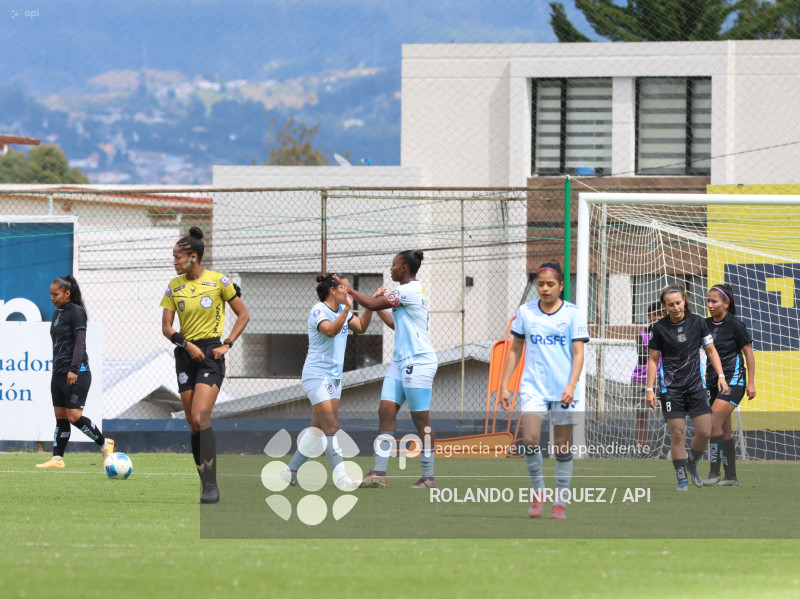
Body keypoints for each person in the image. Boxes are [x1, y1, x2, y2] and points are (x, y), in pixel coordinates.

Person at [335, 250, 439, 489]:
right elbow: (394, 322)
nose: (391, 268)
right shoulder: (406, 292)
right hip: (400, 362)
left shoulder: (408, 289)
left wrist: (347, 290)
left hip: (419, 361)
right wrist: (378, 306)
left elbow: (370, 303)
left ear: (403, 268)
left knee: (420, 418)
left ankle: (428, 477)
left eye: (393, 265)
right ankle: (379, 473)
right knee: (385, 411)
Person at [160, 227, 250, 504]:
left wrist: (227, 344)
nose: (174, 261)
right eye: (174, 257)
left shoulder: (218, 281)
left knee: (201, 418)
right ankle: (205, 484)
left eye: (178, 257)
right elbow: (166, 327)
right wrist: (186, 345)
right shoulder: (174, 286)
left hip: (212, 354)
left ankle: (212, 486)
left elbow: (243, 315)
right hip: (186, 353)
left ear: (193, 257)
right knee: (192, 424)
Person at [499, 262, 589, 520]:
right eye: (541, 284)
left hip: (564, 389)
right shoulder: (525, 312)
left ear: (561, 285)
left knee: (561, 447)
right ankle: (539, 493)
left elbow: (578, 353)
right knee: (530, 439)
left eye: (551, 284)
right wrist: (505, 384)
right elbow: (515, 348)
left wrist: (571, 385)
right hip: (533, 388)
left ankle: (560, 502)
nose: (545, 288)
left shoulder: (573, 314)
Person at [282, 274, 383, 489]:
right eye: (344, 288)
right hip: (316, 375)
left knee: (318, 430)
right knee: (332, 426)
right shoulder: (318, 310)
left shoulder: (341, 312)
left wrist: (371, 305)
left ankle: (289, 471)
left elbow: (362, 326)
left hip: (334, 379)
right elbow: (329, 331)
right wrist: (347, 309)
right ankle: (342, 479)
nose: (347, 291)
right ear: (332, 290)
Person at [645, 283, 728, 491]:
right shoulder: (659, 328)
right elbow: (653, 360)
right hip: (671, 390)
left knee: (705, 431)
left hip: (695, 387)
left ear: (685, 302)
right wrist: (649, 389)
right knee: (678, 434)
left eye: (678, 303)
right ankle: (681, 478)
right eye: (670, 304)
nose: (675, 307)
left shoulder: (698, 322)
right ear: (665, 306)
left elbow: (710, 350)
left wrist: (720, 375)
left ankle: (692, 462)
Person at [37, 275, 114, 468]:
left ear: (67, 293)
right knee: (61, 416)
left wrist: (74, 369)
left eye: (55, 294)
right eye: (50, 294)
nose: (52, 297)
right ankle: (57, 459)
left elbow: (80, 342)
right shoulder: (56, 314)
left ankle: (105, 443)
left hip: (76, 372)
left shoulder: (76, 312)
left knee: (74, 417)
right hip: (58, 373)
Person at [703, 284, 756, 487]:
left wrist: (750, 383)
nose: (710, 305)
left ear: (726, 303)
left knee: (713, 424)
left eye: (714, 301)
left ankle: (714, 472)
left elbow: (748, 354)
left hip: (734, 381)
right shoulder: (705, 324)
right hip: (712, 382)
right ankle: (731, 477)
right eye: (708, 301)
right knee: (724, 432)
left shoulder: (735, 325)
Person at [629, 302, 664, 453]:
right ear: (649, 316)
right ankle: (641, 448)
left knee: (673, 414)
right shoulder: (642, 334)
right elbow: (643, 358)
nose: (658, 317)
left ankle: (673, 448)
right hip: (641, 378)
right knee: (642, 415)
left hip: (663, 378)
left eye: (661, 314)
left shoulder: (669, 333)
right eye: (655, 314)